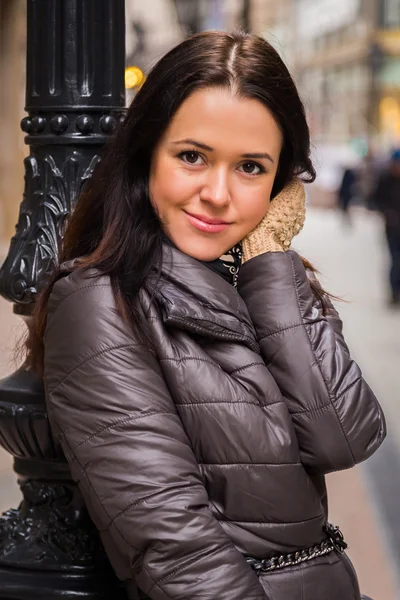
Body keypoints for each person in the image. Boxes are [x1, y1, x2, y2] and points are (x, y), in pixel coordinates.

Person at [27, 31, 385, 600]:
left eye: (250, 167)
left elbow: (344, 434)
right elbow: (178, 551)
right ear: (146, 155)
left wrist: (270, 255)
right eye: (191, 156)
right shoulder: (100, 301)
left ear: (281, 182)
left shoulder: (262, 276)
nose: (218, 193)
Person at [372, 148, 400, 306]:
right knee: (395, 259)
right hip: (392, 227)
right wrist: (387, 212)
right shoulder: (385, 179)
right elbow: (376, 199)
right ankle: (394, 292)